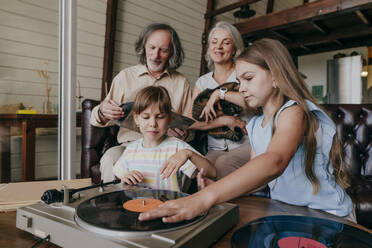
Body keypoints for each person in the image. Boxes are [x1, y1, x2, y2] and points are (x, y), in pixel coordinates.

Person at [139, 38, 354, 223]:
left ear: (275, 76)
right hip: (292, 213)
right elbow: (259, 176)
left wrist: (204, 198)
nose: (241, 88)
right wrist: (221, 187)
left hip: (328, 214)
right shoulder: (254, 125)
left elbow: (275, 161)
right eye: (239, 81)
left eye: (249, 78)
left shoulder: (293, 111)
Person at [90, 23, 193, 182]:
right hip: (128, 147)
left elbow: (189, 126)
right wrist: (103, 111)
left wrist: (184, 133)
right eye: (152, 47)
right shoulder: (125, 77)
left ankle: (172, 205)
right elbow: (96, 119)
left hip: (166, 147)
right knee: (110, 158)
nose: (155, 55)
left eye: (163, 50)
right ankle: (112, 204)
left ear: (172, 52)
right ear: (144, 46)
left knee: (186, 164)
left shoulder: (181, 82)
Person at [113, 86, 216, 192]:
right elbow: (120, 175)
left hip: (169, 206)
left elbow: (212, 172)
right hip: (136, 206)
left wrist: (188, 154)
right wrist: (125, 178)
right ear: (136, 119)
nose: (153, 124)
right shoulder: (131, 150)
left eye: (160, 117)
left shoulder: (178, 148)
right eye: (146, 117)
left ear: (170, 119)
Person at [189, 21, 252, 180]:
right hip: (215, 148)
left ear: (235, 49)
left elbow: (252, 102)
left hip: (246, 144)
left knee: (223, 164)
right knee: (200, 172)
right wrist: (224, 120)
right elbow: (191, 121)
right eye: (214, 42)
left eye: (226, 42)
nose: (219, 47)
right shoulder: (202, 82)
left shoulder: (243, 72)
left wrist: (220, 93)